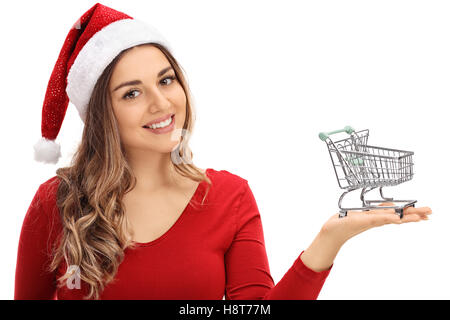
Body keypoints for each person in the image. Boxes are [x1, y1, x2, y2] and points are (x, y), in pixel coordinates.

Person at [14, 3, 432, 300]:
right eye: (131, 93)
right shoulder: (58, 203)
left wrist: (330, 239)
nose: (161, 104)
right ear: (102, 114)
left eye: (166, 80)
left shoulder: (229, 197)